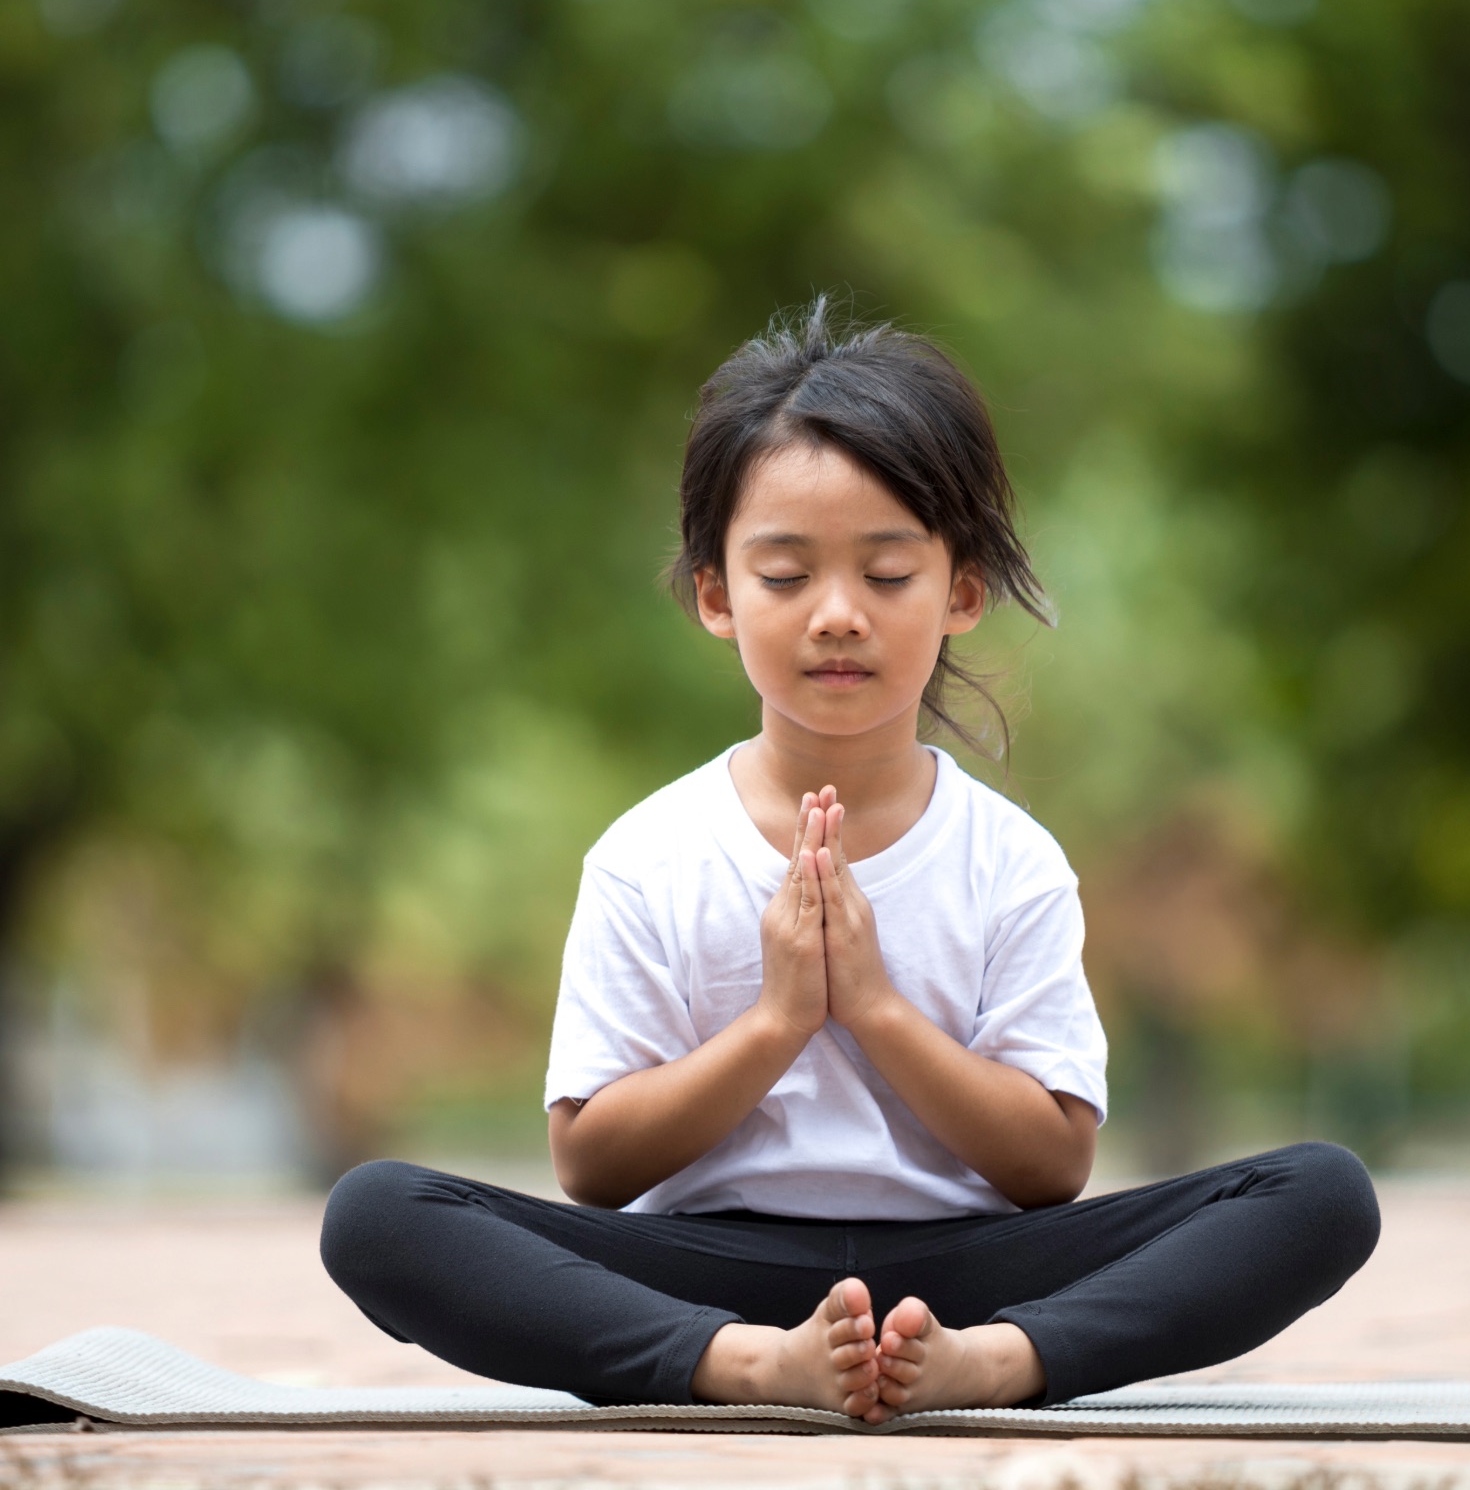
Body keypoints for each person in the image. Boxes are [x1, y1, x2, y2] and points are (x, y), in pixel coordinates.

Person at [320, 300, 1381, 1421]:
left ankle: (1000, 1364)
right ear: (716, 596)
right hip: (702, 1268)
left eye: (886, 575)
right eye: (785, 577)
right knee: (379, 1215)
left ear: (960, 591)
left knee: (1318, 1196)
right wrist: (777, 1020)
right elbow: (591, 1164)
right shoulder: (648, 855)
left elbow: (1050, 1166)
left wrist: (873, 1007)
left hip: (971, 1270)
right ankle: (744, 1367)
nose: (837, 616)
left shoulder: (1009, 860)